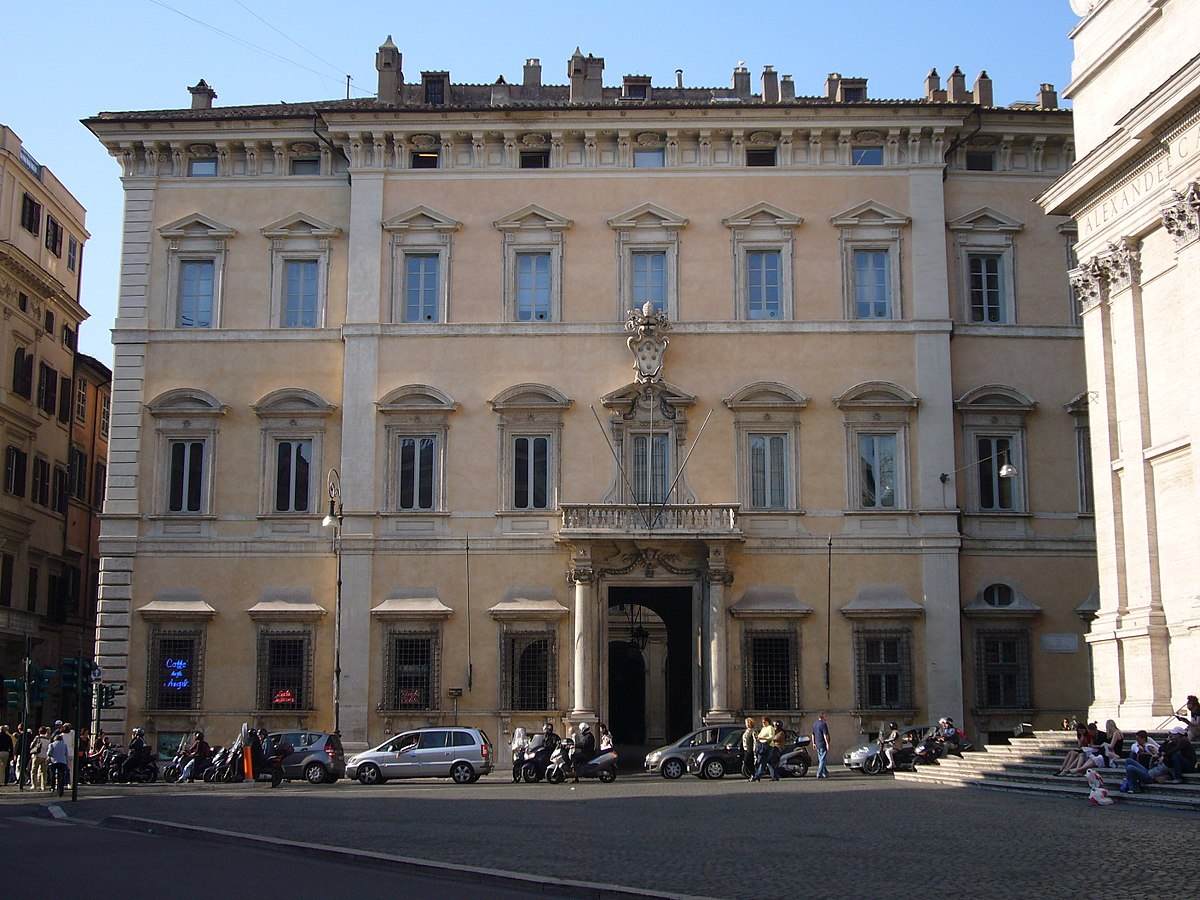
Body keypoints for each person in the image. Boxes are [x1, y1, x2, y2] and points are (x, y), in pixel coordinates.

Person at [750, 717, 776, 782]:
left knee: (762, 761)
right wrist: (757, 737)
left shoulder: (770, 728)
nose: (763, 723)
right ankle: (774, 776)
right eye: (762, 722)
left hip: (768, 746)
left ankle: (757, 775)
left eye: (764, 722)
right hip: (761, 745)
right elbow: (759, 735)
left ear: (768, 722)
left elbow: (771, 737)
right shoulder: (763, 728)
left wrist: (763, 738)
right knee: (768, 762)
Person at [48, 732, 70, 797]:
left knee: (53, 774)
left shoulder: (51, 744)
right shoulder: (64, 745)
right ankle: (61, 789)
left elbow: (49, 753)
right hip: (63, 762)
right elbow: (66, 754)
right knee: (61, 776)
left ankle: (52, 787)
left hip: (54, 761)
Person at [29, 726, 49, 791]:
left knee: (34, 771)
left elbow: (31, 745)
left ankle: (34, 785)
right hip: (45, 756)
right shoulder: (48, 739)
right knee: (43, 772)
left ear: (39, 732)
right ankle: (43, 786)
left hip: (37, 755)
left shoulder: (37, 738)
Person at [812, 712, 831, 780]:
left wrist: (813, 743)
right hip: (822, 743)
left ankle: (825, 773)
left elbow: (813, 734)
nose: (826, 717)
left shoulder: (815, 724)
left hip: (817, 744)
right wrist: (827, 744)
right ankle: (819, 773)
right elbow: (825, 735)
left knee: (821, 759)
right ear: (822, 716)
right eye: (825, 716)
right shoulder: (823, 724)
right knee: (822, 759)